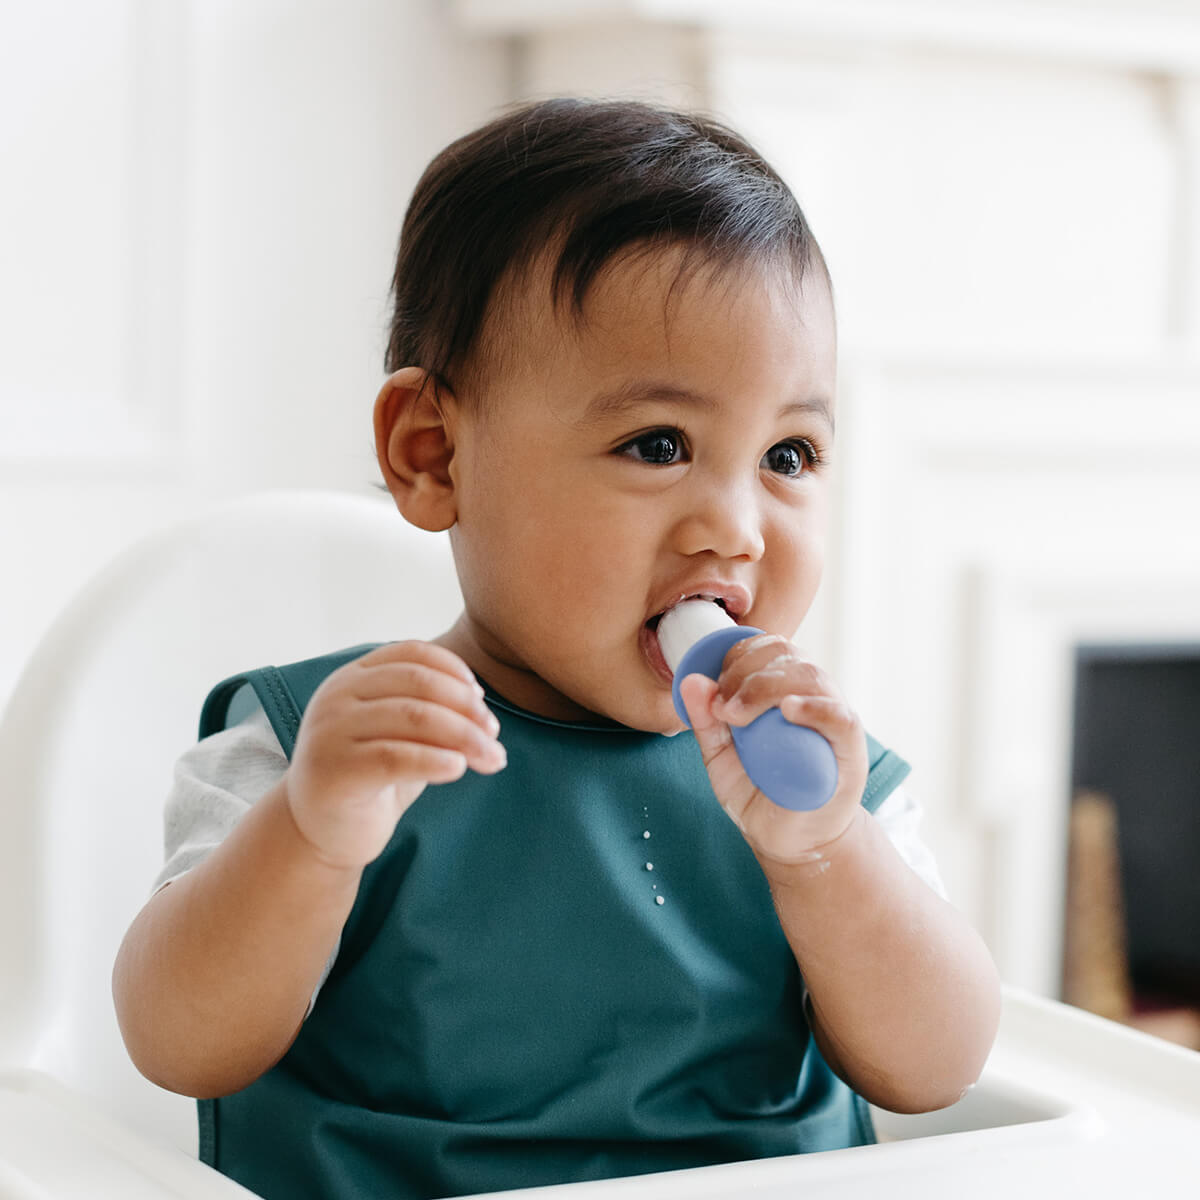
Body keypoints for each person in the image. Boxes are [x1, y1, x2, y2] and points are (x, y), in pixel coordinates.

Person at [113, 97, 1001, 1200]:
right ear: (433, 455)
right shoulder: (326, 750)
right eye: (659, 444)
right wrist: (311, 837)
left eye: (790, 452)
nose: (738, 524)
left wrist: (825, 856)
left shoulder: (823, 786)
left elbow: (941, 1069)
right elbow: (177, 1044)